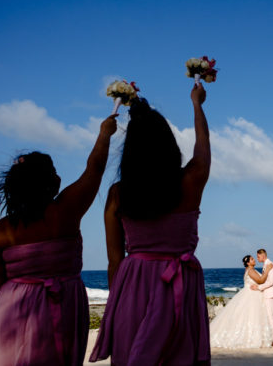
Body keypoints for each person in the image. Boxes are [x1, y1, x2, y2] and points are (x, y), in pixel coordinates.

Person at [0, 115, 118, 366]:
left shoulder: (1, 231)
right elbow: (94, 168)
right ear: (46, 182)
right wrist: (105, 134)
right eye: (54, 171)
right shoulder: (65, 211)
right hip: (63, 305)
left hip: (10, 311)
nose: (58, 176)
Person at [90, 85, 211, 365]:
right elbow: (202, 148)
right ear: (169, 144)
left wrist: (116, 305)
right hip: (182, 284)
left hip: (133, 285)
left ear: (130, 151)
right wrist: (197, 105)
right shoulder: (191, 181)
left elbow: (114, 260)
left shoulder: (118, 194)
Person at [209, 255, 273, 349]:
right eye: (252, 259)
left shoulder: (249, 270)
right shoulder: (250, 270)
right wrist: (267, 270)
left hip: (251, 294)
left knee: (248, 316)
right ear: (248, 263)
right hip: (251, 295)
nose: (254, 260)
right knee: (251, 316)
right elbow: (260, 280)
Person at [250, 248, 273, 347]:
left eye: (258, 256)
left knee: (271, 317)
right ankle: (270, 338)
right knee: (268, 316)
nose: (257, 258)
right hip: (266, 294)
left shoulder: (270, 265)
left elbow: (270, 282)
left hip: (269, 294)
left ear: (263, 256)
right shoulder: (266, 265)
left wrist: (258, 287)